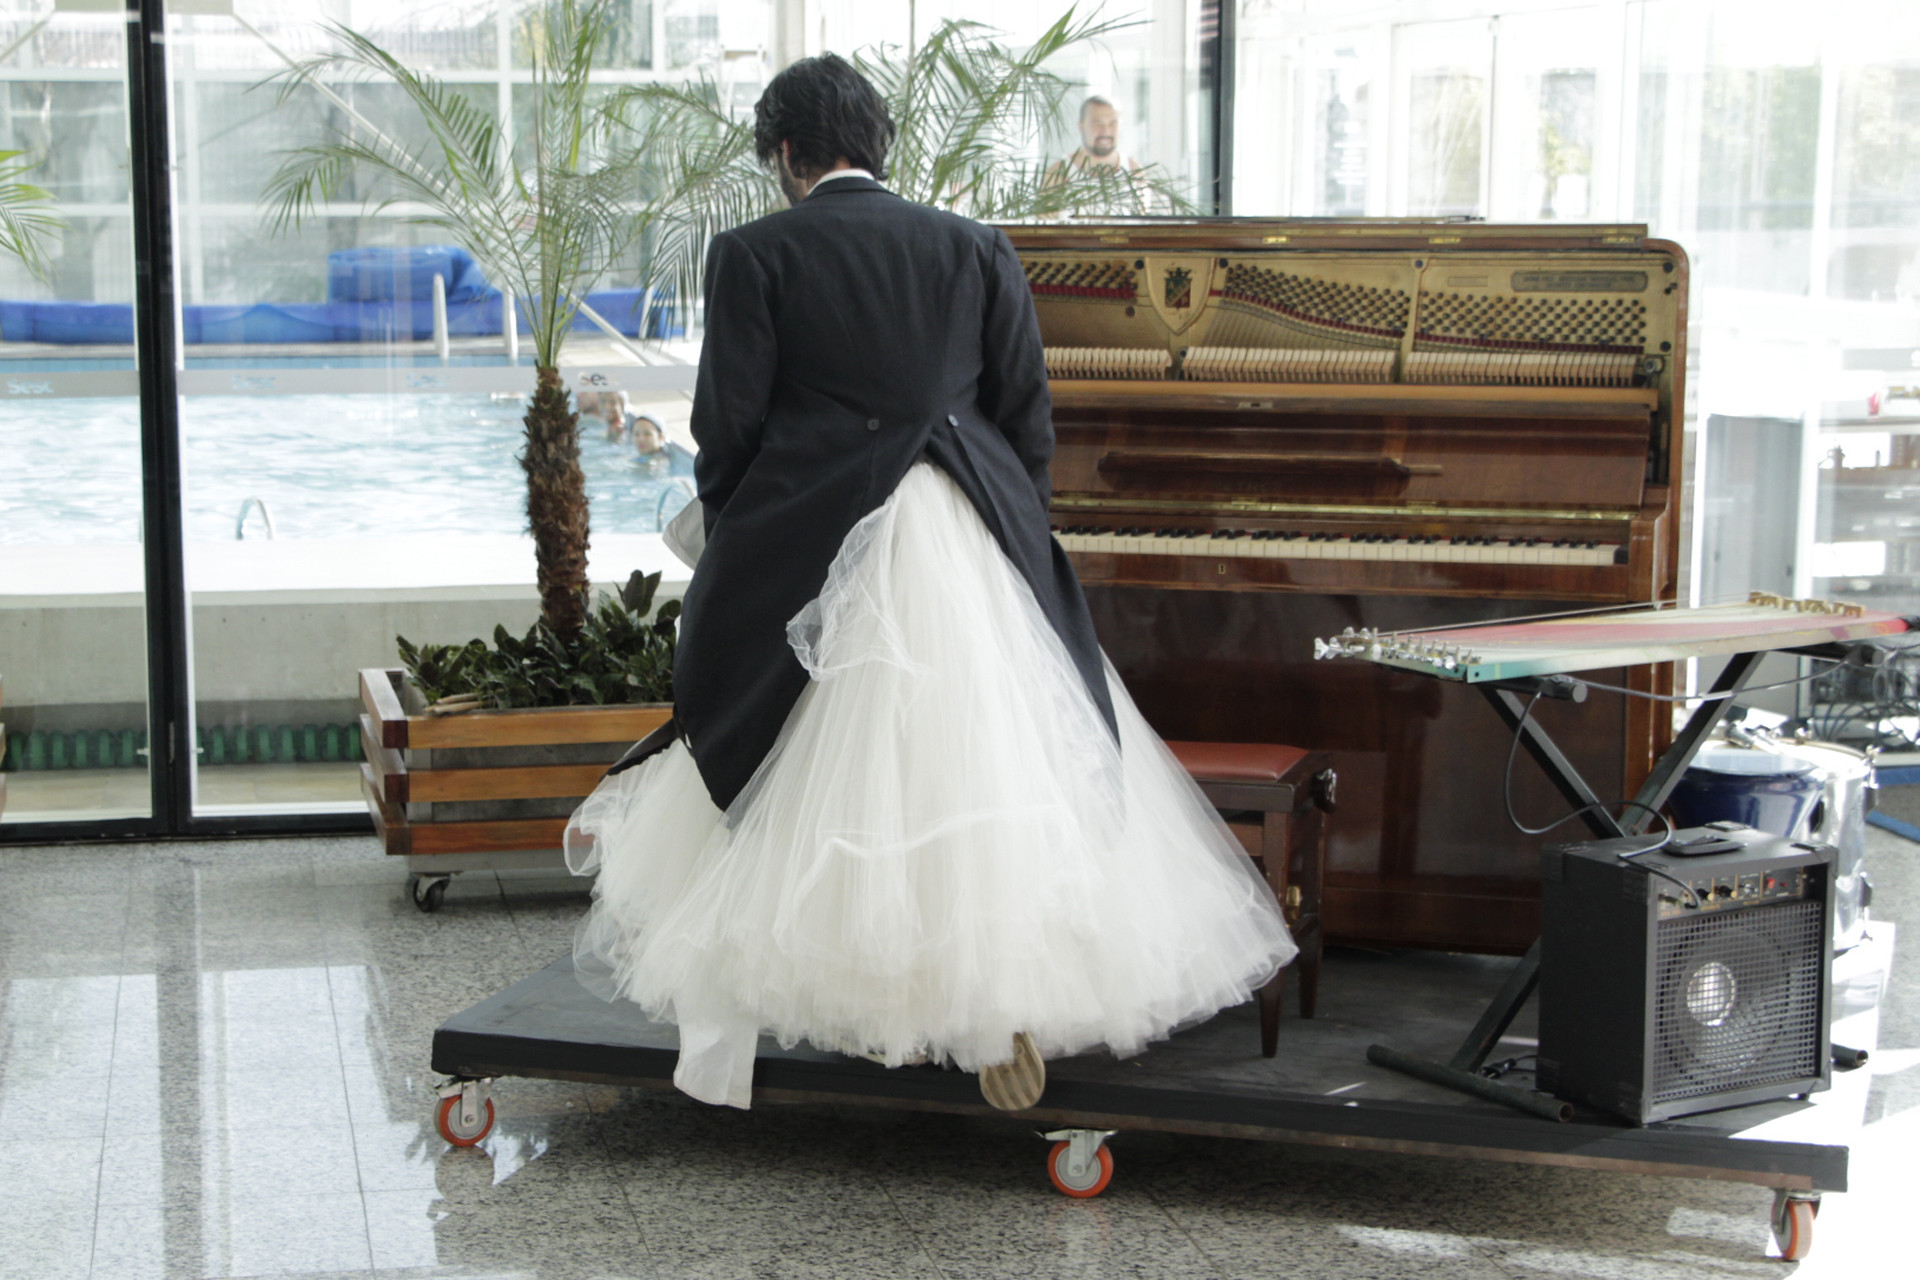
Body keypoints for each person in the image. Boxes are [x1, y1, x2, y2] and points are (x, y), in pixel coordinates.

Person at [565, 54, 1292, 1113]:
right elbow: (1025, 413)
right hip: (963, 524)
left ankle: (866, 1012)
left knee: (808, 761)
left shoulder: (756, 254)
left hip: (821, 528)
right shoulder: (973, 246)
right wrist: (1012, 525)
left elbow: (727, 428)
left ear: (784, 155)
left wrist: (735, 537)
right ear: (880, 144)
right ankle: (995, 1003)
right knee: (991, 766)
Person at [1042, 95, 1152, 213]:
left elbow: (1144, 224)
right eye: (1097, 124)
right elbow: (1045, 227)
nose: (1105, 131)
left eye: (1113, 124)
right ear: (1081, 126)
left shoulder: (1134, 171)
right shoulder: (1058, 174)